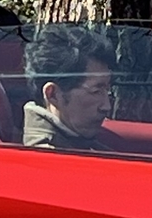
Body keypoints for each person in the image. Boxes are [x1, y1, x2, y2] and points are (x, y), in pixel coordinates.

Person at [22, 23, 119, 152]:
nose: (106, 106)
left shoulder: (76, 144)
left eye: (107, 90)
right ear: (53, 95)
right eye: (96, 91)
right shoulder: (51, 161)